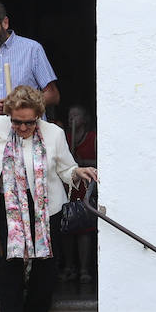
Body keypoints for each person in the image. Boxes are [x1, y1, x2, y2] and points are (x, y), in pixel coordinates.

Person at [0, 86, 98, 312]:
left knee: (46, 264)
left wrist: (78, 173)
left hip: (47, 206)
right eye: (17, 122)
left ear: (39, 116)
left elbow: (66, 168)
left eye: (29, 123)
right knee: (10, 263)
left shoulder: (54, 133)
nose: (22, 128)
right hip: (11, 205)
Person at [0, 1, 60, 120]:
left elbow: (53, 95)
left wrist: (20, 104)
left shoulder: (32, 49)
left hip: (28, 130)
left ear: (5, 23)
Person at [56, 105, 98, 288]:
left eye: (76, 115)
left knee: (84, 229)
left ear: (85, 119)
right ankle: (69, 267)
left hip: (84, 187)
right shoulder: (64, 138)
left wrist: (80, 163)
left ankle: (84, 269)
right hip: (67, 187)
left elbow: (100, 160)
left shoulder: (92, 138)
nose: (72, 118)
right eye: (70, 115)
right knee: (67, 228)